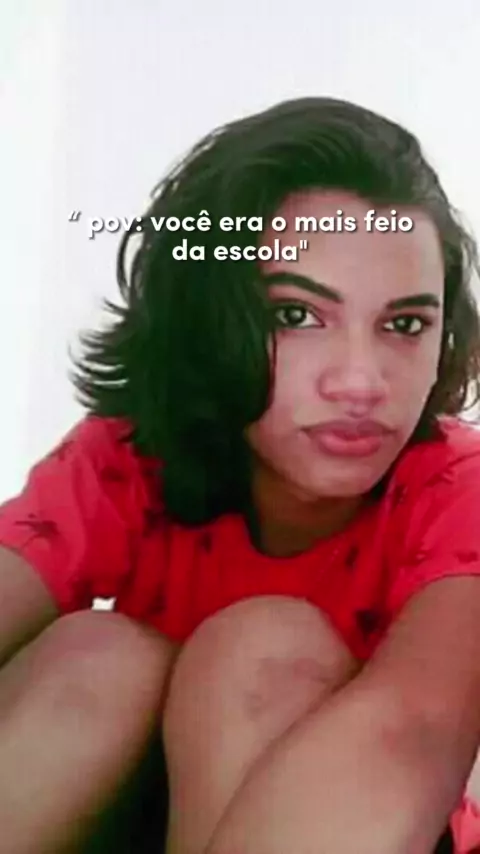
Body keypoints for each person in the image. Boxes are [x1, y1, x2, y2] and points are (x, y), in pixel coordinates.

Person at [0, 96, 479, 854]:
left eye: (405, 325)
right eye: (296, 316)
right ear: (207, 318)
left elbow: (415, 729)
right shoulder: (128, 458)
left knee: (262, 652)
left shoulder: (460, 487)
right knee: (97, 657)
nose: (361, 382)